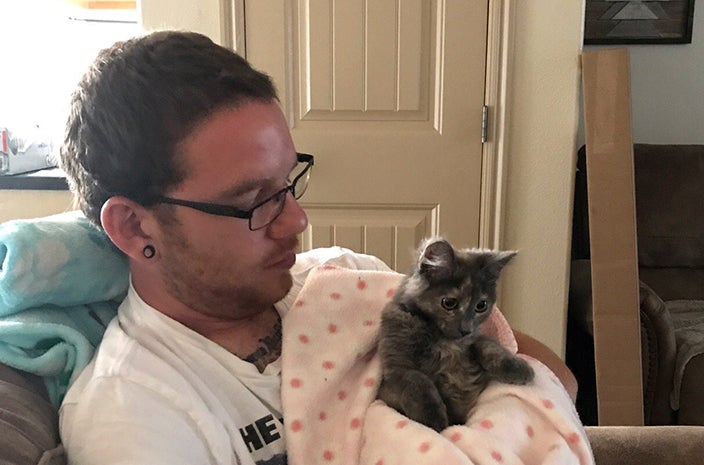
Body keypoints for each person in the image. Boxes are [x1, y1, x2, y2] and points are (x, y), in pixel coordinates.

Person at [58, 30, 577, 464]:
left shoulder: (344, 279)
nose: (297, 220)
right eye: (251, 201)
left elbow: (557, 384)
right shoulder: (135, 418)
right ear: (134, 228)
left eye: (288, 181)